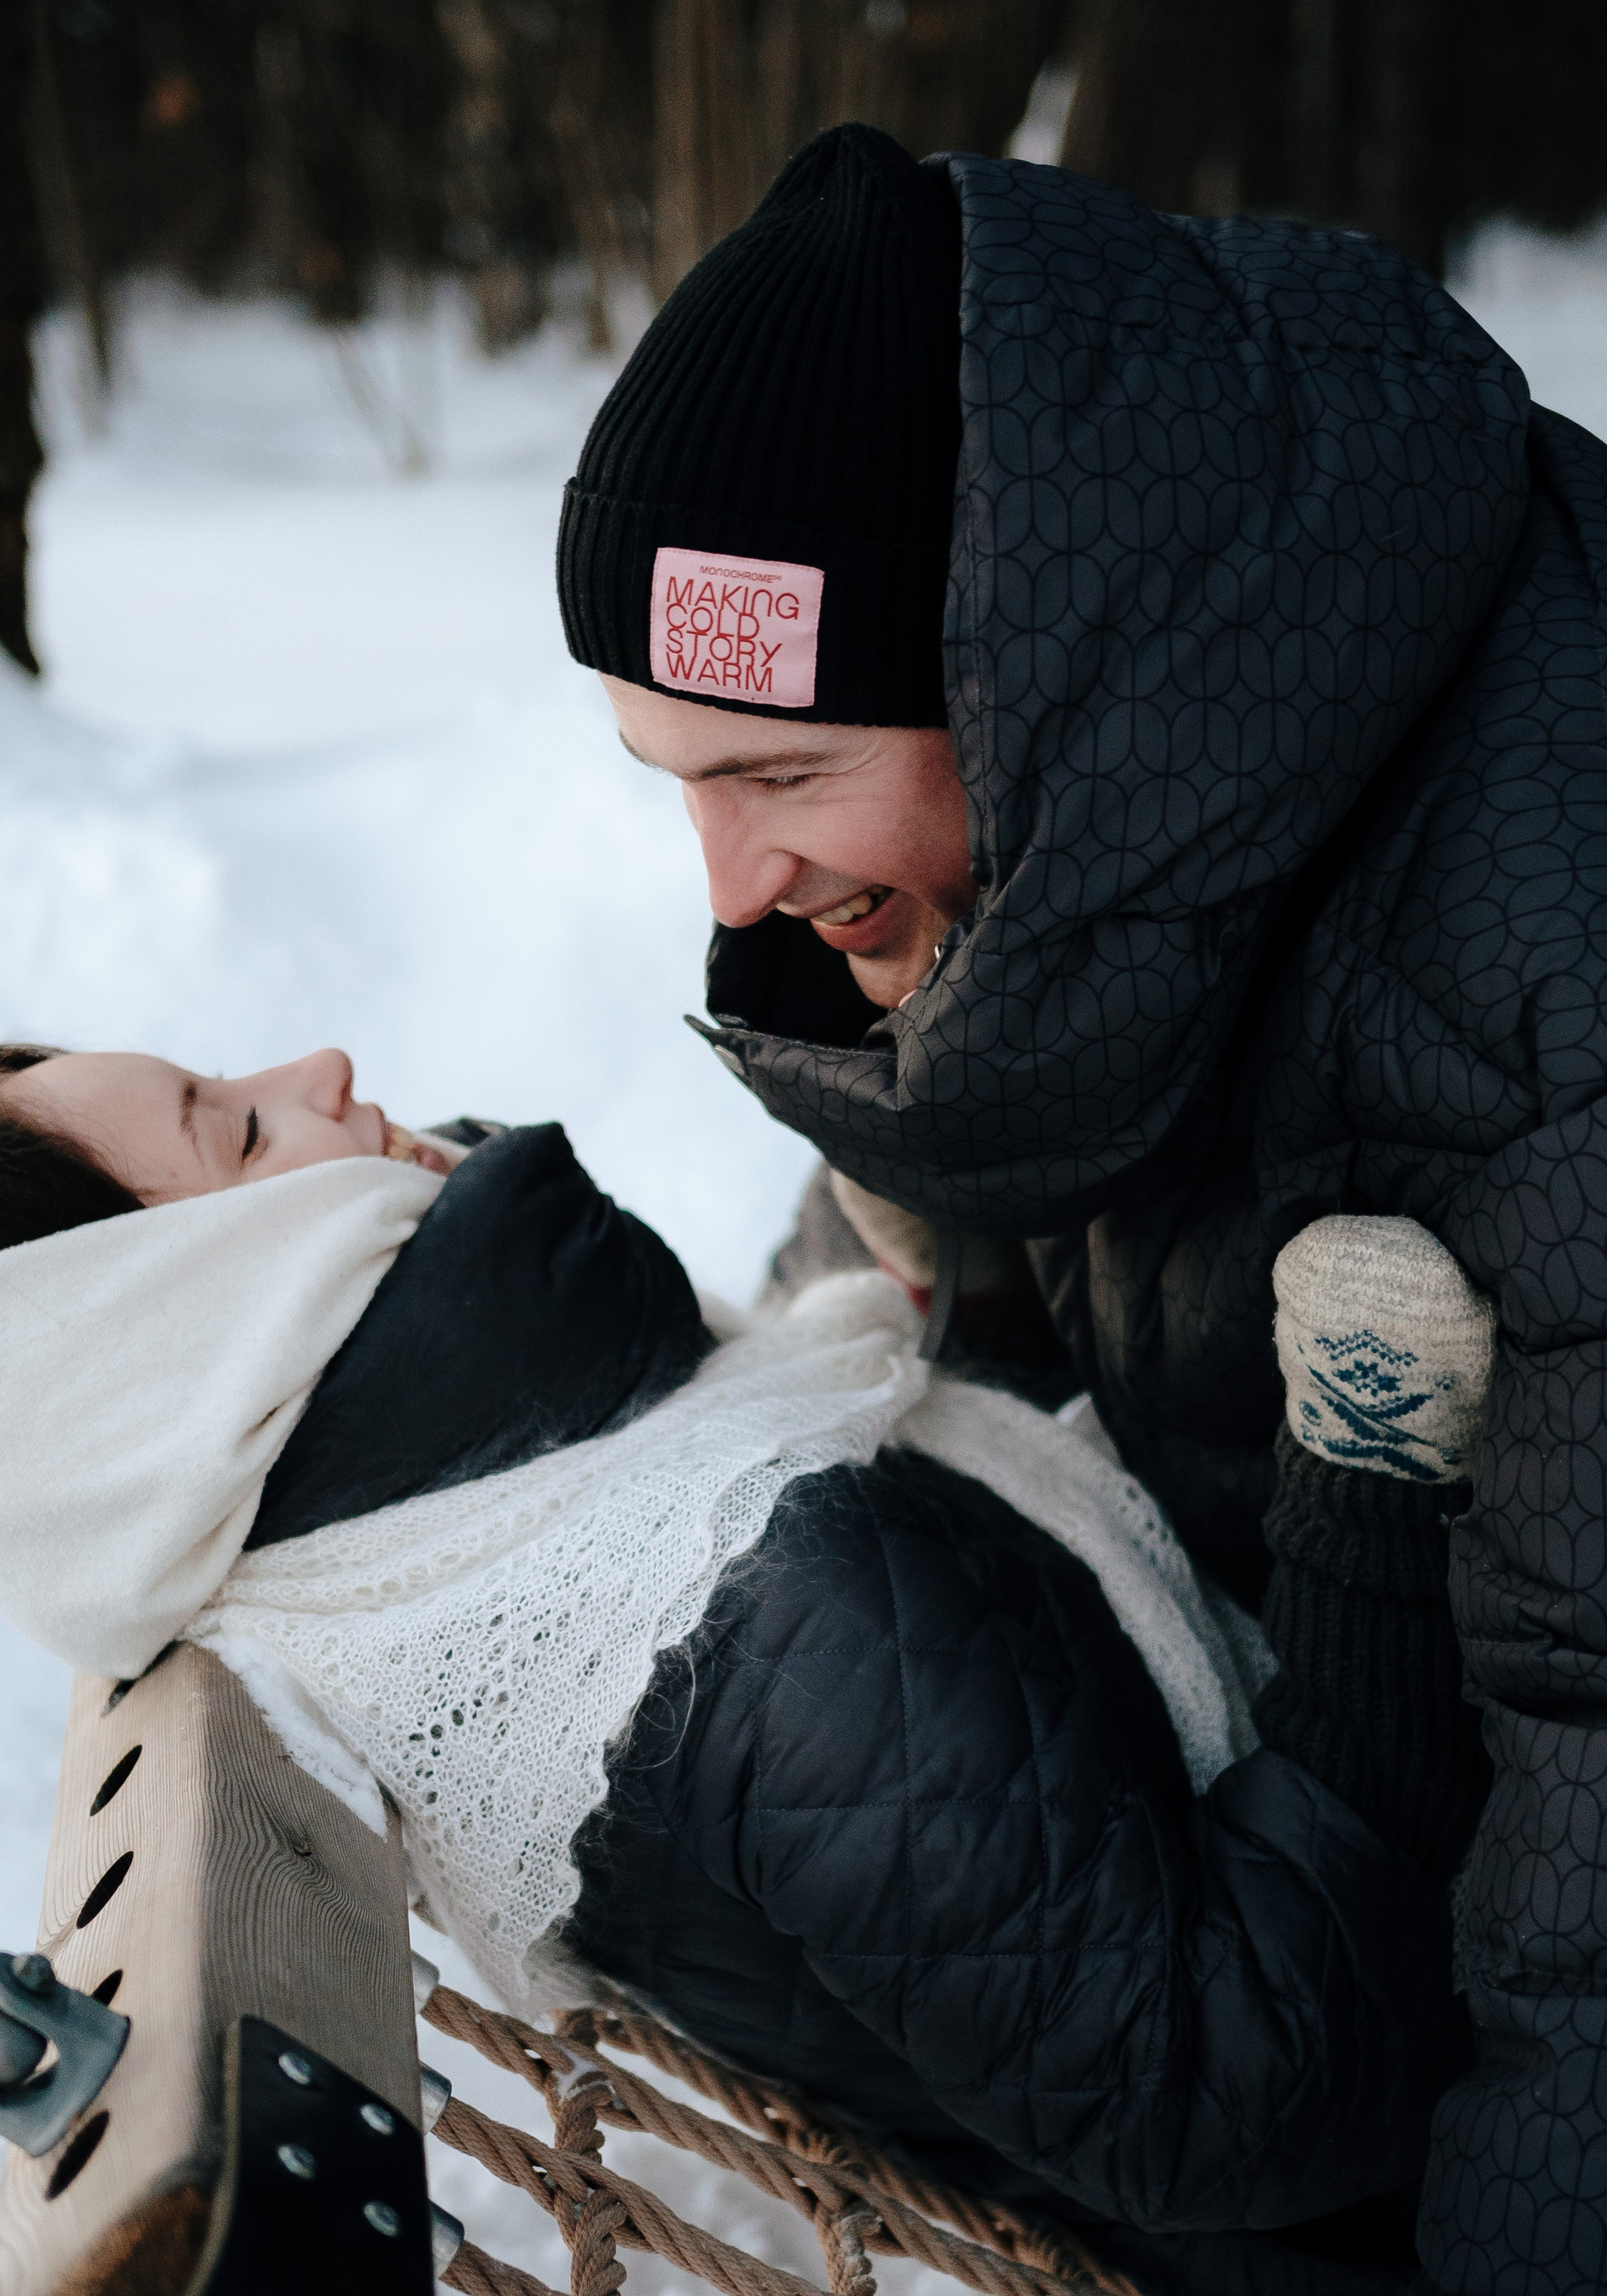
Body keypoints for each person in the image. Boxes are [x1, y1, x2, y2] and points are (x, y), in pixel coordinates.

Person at [555, 123, 1607, 2292]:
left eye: (779, 772)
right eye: (679, 782)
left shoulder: (1546, 1005)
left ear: (1042, 687)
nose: (733, 889)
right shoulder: (1124, 815)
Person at [0, 1041, 1486, 2293]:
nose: (313, 1063)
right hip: (1426, 2133)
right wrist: (1364, 1495)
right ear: (206, 1321)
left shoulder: (482, 1501)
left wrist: (910, 1285)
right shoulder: (721, 1620)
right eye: (235, 1127)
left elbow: (987, 1670)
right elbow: (1238, 2085)